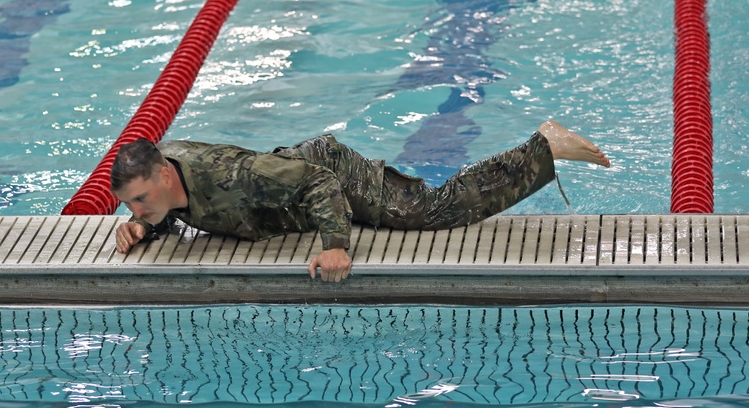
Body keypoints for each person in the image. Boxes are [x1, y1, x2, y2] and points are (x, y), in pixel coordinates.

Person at [111, 121, 610, 282]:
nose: (134, 208)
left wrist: (334, 245)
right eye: (129, 205)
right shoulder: (162, 177)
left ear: (161, 174)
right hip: (293, 179)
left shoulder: (233, 175)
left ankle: (543, 146)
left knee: (427, 213)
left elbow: (317, 184)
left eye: (138, 201)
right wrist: (148, 225)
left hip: (330, 173)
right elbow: (169, 205)